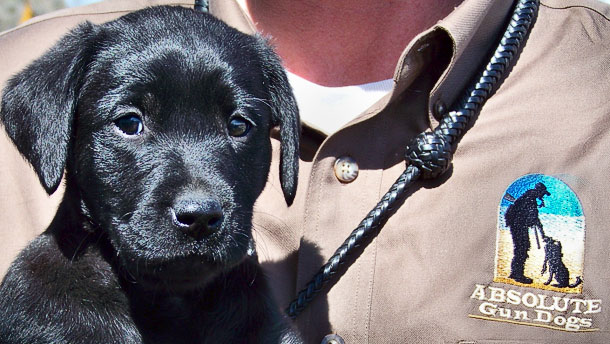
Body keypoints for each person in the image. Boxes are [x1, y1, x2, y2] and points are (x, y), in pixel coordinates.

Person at [1, 0, 609, 342]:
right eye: (131, 122)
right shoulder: (46, 63)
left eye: (240, 126)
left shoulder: (591, 90)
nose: (197, 193)